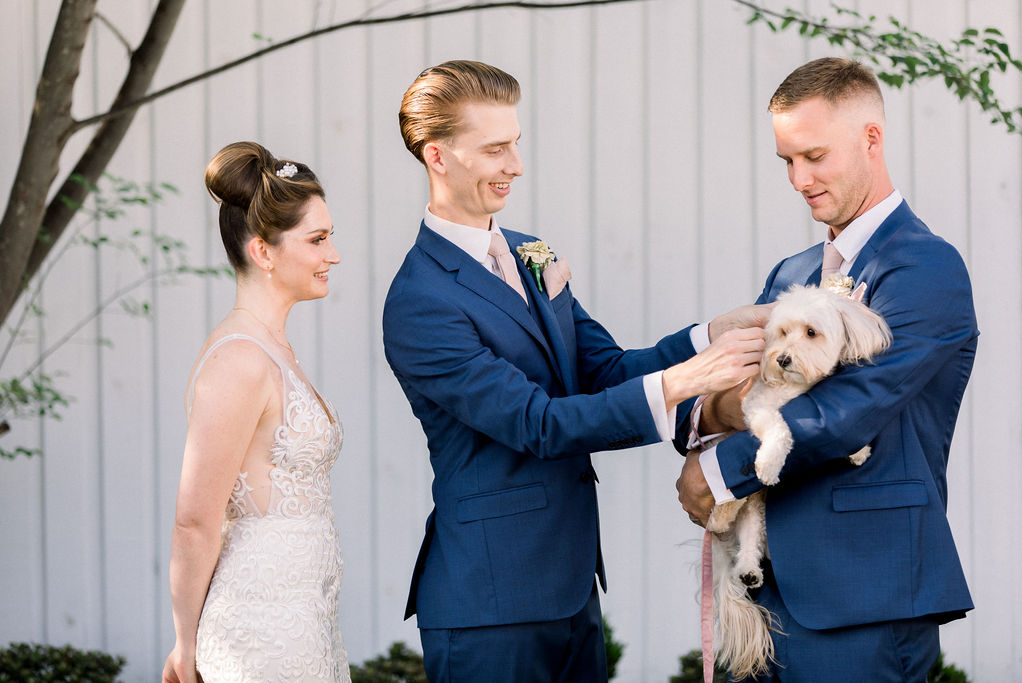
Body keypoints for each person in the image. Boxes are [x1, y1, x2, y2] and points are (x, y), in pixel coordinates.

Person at [383, 59, 769, 683]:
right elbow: (540, 424)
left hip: (570, 588)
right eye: (495, 149)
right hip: (488, 604)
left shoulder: (532, 252)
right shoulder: (420, 301)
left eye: (516, 144)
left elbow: (605, 370)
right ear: (437, 156)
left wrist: (709, 334)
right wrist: (692, 378)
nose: (516, 165)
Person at [677, 57, 978, 682]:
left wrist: (715, 473)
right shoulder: (790, 275)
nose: (798, 178)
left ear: (871, 138)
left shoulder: (925, 268)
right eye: (787, 161)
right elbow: (750, 384)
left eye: (814, 156)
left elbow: (849, 413)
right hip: (763, 584)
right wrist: (704, 417)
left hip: (865, 592)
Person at [162, 141, 350, 683]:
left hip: (306, 621)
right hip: (258, 633)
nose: (332, 254)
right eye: (317, 240)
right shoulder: (239, 360)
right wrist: (185, 645)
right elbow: (195, 520)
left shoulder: (272, 348)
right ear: (264, 252)